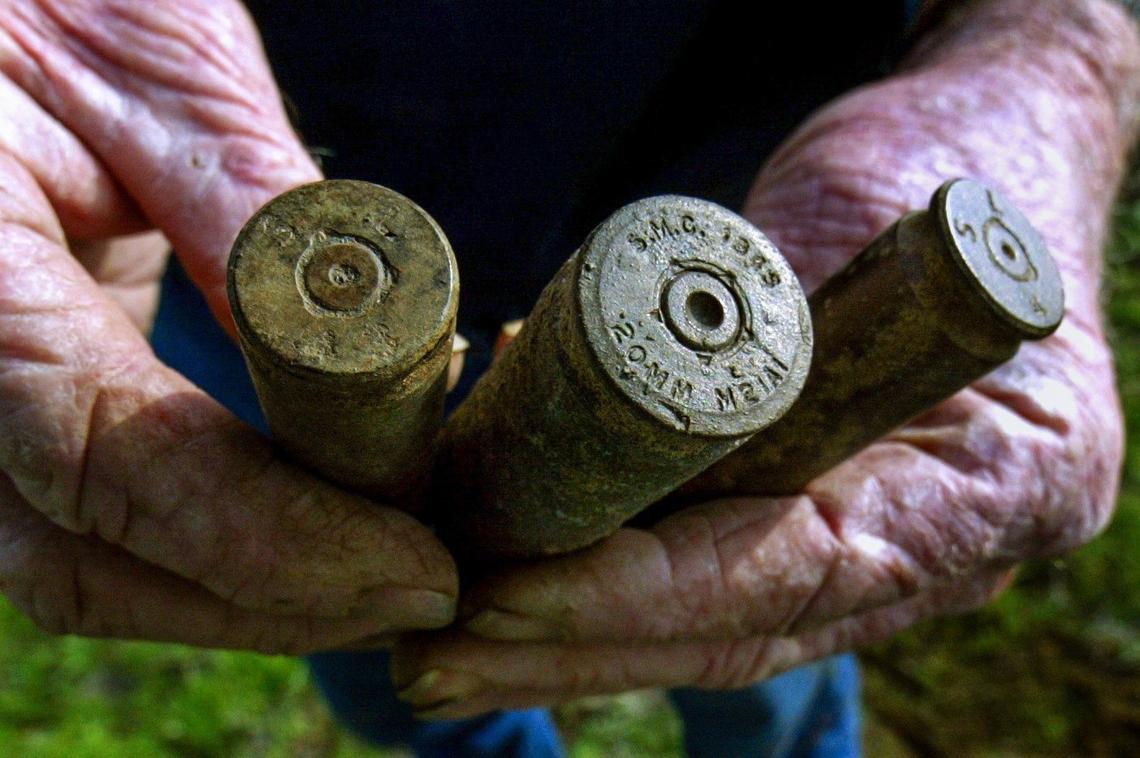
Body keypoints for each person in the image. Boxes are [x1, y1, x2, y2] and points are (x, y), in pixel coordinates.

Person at [0, 0, 1134, 755]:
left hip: (774, 218)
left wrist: (1051, 53)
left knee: (756, 636)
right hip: (180, 188)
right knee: (369, 618)